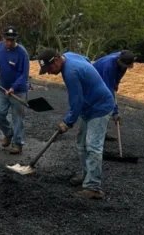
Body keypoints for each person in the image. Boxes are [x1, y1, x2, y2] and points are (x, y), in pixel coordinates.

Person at [37, 48, 115, 199]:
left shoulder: (71, 72)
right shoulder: (69, 56)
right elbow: (86, 59)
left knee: (93, 146)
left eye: (50, 68)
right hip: (89, 107)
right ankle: (87, 177)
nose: (49, 72)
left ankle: (93, 187)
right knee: (82, 144)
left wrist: (68, 122)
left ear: (57, 59)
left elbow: (76, 101)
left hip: (100, 107)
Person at [0, 26, 29, 154]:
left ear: (15, 39)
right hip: (2, 87)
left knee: (18, 118)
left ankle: (18, 144)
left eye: (11, 40)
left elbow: (24, 75)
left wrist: (14, 88)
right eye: (7, 39)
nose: (9, 42)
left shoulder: (22, 53)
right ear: (3, 38)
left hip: (18, 90)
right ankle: (8, 133)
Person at [93, 50, 135, 141]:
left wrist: (116, 83)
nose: (126, 67)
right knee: (102, 104)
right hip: (94, 81)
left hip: (105, 78)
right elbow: (108, 91)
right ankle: (96, 135)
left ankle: (102, 132)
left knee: (105, 104)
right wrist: (115, 112)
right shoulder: (109, 66)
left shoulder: (124, 59)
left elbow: (121, 72)